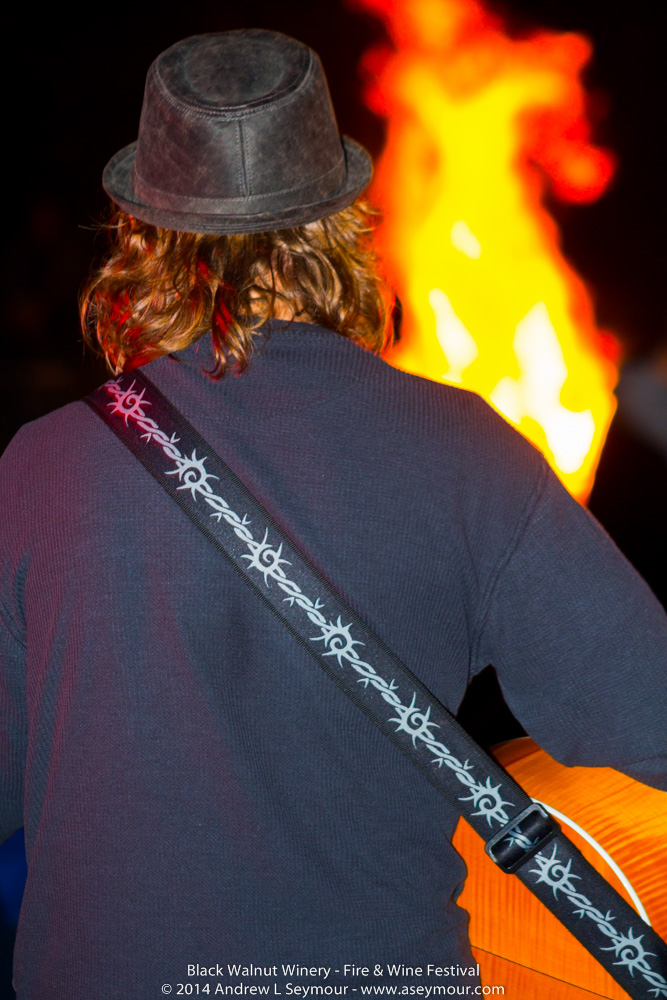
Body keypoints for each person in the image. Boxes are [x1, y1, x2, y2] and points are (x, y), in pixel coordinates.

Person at [1, 29, 666, 1000]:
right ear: (344, 224)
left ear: (141, 236)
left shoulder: (41, 466)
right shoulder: (462, 450)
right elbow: (648, 711)